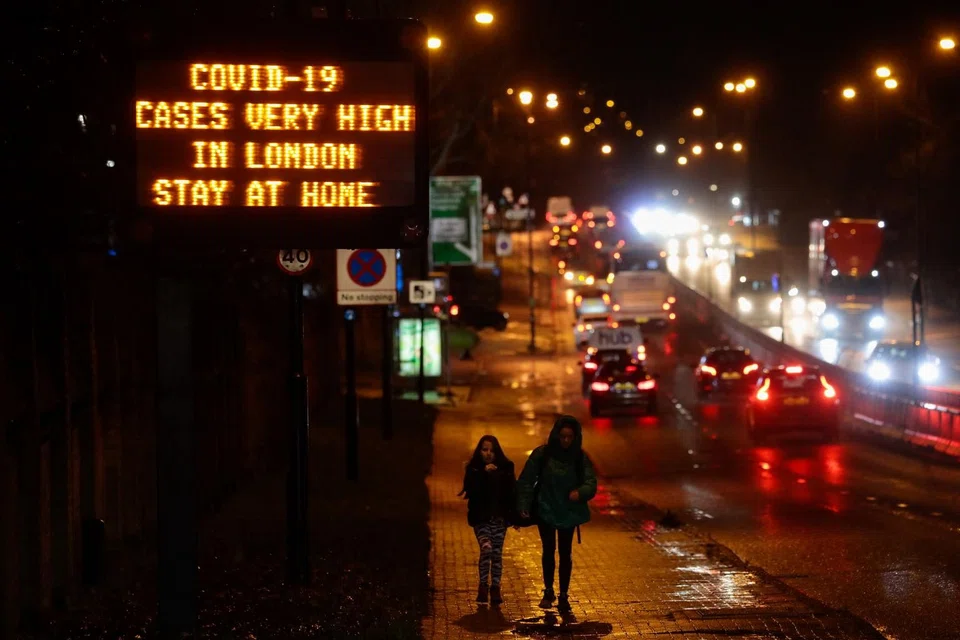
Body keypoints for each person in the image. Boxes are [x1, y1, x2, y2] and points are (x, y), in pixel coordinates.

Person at [516, 416, 597, 614]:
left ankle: (563, 594)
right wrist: (523, 505)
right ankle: (549, 590)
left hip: (568, 511)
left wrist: (580, 493)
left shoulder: (579, 458)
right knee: (548, 550)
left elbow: (590, 482)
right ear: (556, 436)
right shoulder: (543, 455)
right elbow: (526, 480)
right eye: (562, 436)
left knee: (565, 552)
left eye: (569, 437)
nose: (566, 441)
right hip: (546, 508)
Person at [458, 435, 517, 605]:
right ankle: (483, 586)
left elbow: (511, 492)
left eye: (492, 450)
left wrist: (514, 517)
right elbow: (472, 491)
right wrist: (485, 474)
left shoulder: (506, 468)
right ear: (480, 451)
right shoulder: (474, 469)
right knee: (487, 549)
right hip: (481, 519)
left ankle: (495, 588)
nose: (488, 453)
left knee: (496, 553)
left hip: (499, 519)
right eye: (485, 450)